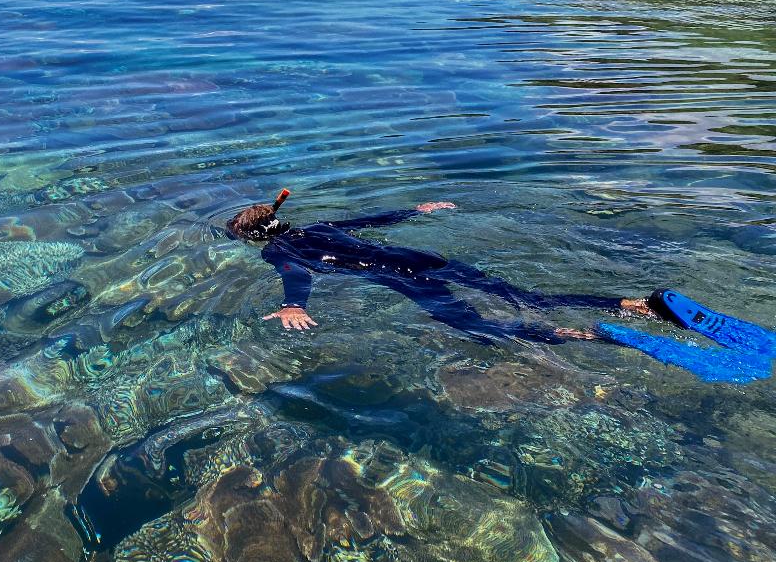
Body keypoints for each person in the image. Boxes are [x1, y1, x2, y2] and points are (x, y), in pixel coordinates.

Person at [227, 190, 773, 382]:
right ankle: (638, 305)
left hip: (404, 277)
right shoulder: (319, 227)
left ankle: (588, 336)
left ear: (255, 241)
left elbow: (295, 273)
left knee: (475, 324)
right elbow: (372, 222)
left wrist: (293, 305)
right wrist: (416, 210)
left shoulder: (280, 249)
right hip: (425, 256)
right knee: (528, 297)